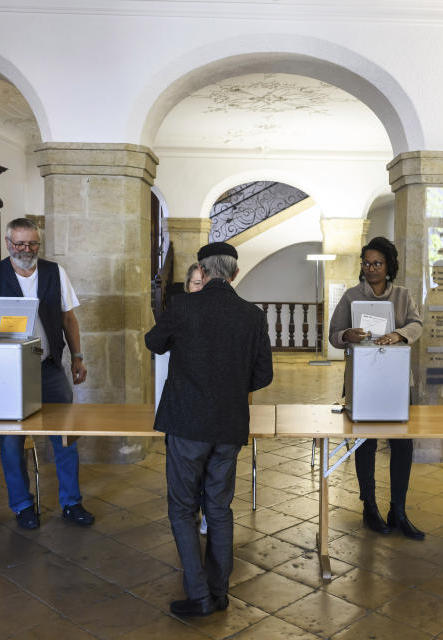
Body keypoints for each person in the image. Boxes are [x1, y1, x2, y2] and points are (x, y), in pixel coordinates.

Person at [146, 242, 273, 618]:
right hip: (229, 424)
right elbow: (263, 374)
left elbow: (154, 343)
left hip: (186, 423)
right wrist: (231, 386)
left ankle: (199, 595)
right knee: (219, 509)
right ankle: (219, 592)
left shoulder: (184, 306)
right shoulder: (252, 315)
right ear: (234, 273)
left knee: (183, 510)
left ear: (202, 270)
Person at [0, 218, 94, 530]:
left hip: (48, 367)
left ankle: (71, 502)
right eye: (19, 244)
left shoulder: (54, 272)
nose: (26, 250)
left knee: (64, 437)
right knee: (10, 441)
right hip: (8, 372)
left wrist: (77, 356)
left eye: (32, 244)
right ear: (8, 244)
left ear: (39, 244)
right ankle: (23, 505)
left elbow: (68, 318)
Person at [329, 236, 425, 540]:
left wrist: (399, 334)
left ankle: (398, 509)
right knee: (365, 443)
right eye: (367, 263)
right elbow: (333, 335)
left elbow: (417, 324)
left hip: (396, 380)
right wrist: (348, 334)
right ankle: (369, 505)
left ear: (388, 266)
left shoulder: (403, 295)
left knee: (402, 444)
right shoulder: (351, 296)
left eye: (377, 263)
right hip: (362, 379)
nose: (371, 268)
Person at [183, 262, 210, 537]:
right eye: (195, 283)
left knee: (210, 468)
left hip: (213, 407)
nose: (199, 287)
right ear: (187, 286)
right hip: (186, 405)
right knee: (189, 468)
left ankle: (207, 511)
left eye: (204, 282)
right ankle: (190, 509)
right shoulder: (180, 315)